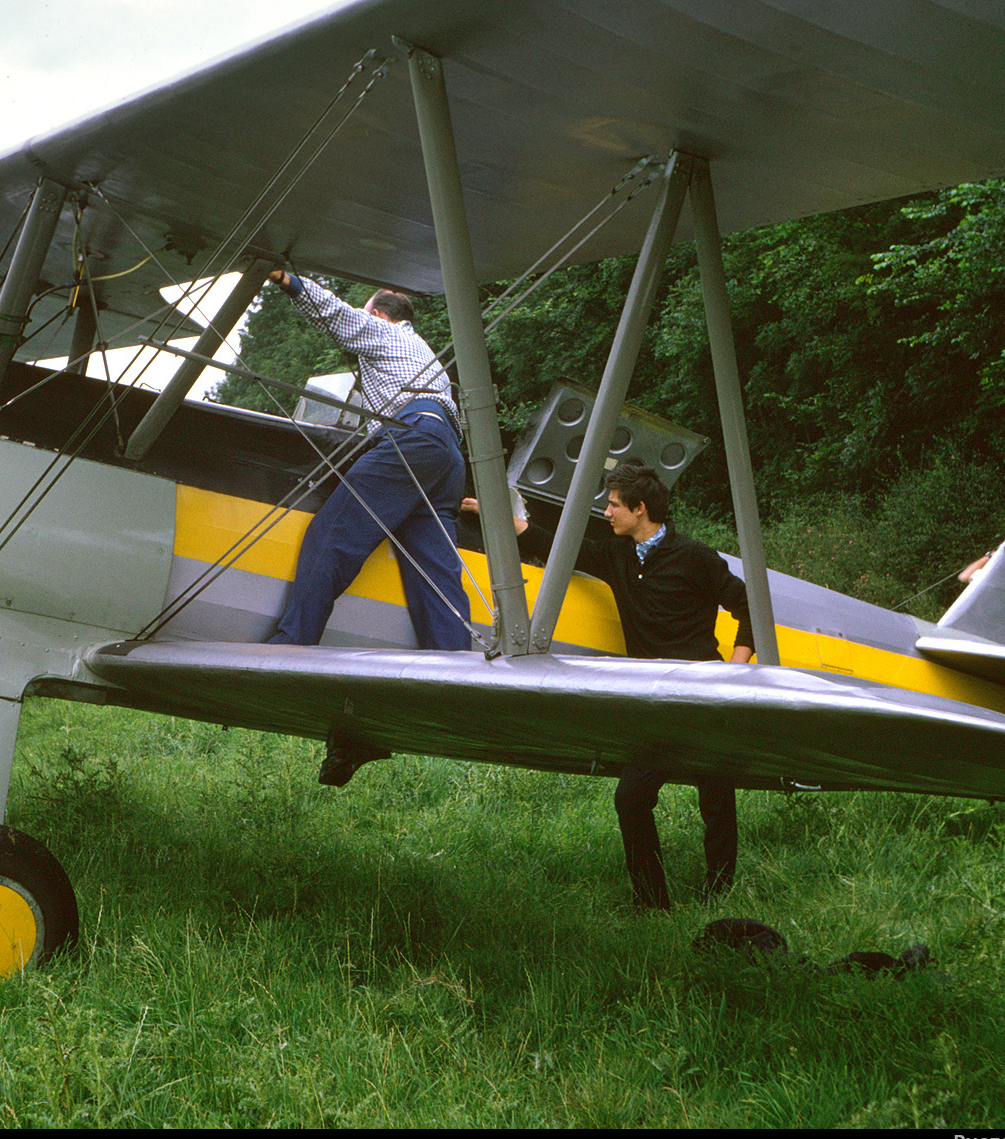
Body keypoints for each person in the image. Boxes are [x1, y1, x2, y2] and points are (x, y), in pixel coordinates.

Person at [465, 461, 754, 908]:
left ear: (640, 509)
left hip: (703, 689)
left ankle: (720, 895)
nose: (607, 511)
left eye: (614, 504)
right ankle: (651, 901)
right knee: (631, 797)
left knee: (716, 796)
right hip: (650, 696)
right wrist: (497, 516)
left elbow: (748, 607)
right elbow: (556, 546)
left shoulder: (696, 558)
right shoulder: (616, 555)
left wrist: (733, 672)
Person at [261, 268, 473, 785]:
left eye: (369, 312)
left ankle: (291, 647)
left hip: (413, 439)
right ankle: (458, 674)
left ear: (380, 314)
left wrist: (288, 281)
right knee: (433, 570)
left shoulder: (386, 332)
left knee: (333, 535)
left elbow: (338, 318)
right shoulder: (425, 360)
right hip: (445, 453)